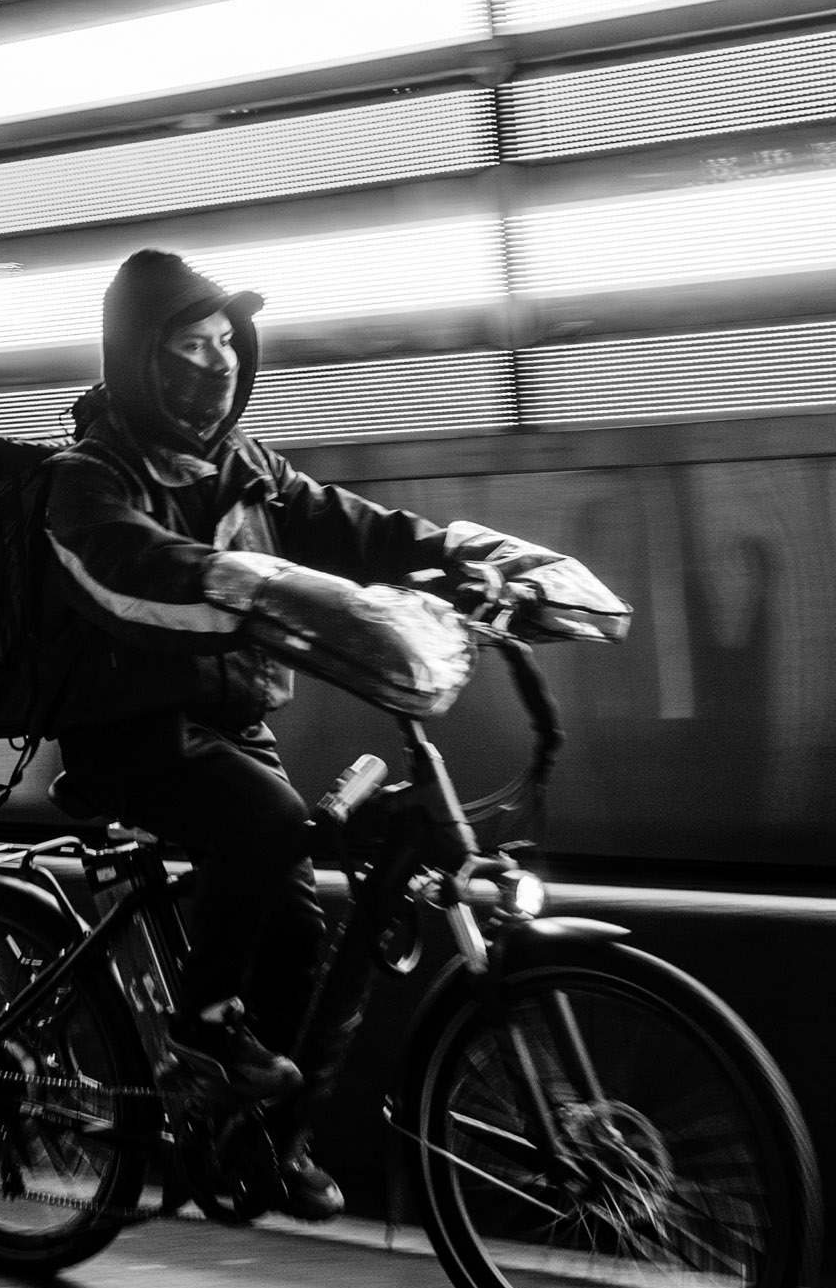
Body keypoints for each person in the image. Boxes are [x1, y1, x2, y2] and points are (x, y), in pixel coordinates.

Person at [36, 248, 624, 1221]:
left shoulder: (246, 470)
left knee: (302, 919)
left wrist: (462, 563)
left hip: (226, 719)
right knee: (267, 822)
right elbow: (132, 565)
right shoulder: (87, 479)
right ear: (143, 357)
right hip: (126, 726)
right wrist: (257, 586)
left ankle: (257, 1138)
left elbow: (355, 527)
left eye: (228, 341)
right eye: (191, 343)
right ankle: (203, 1031)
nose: (216, 362)